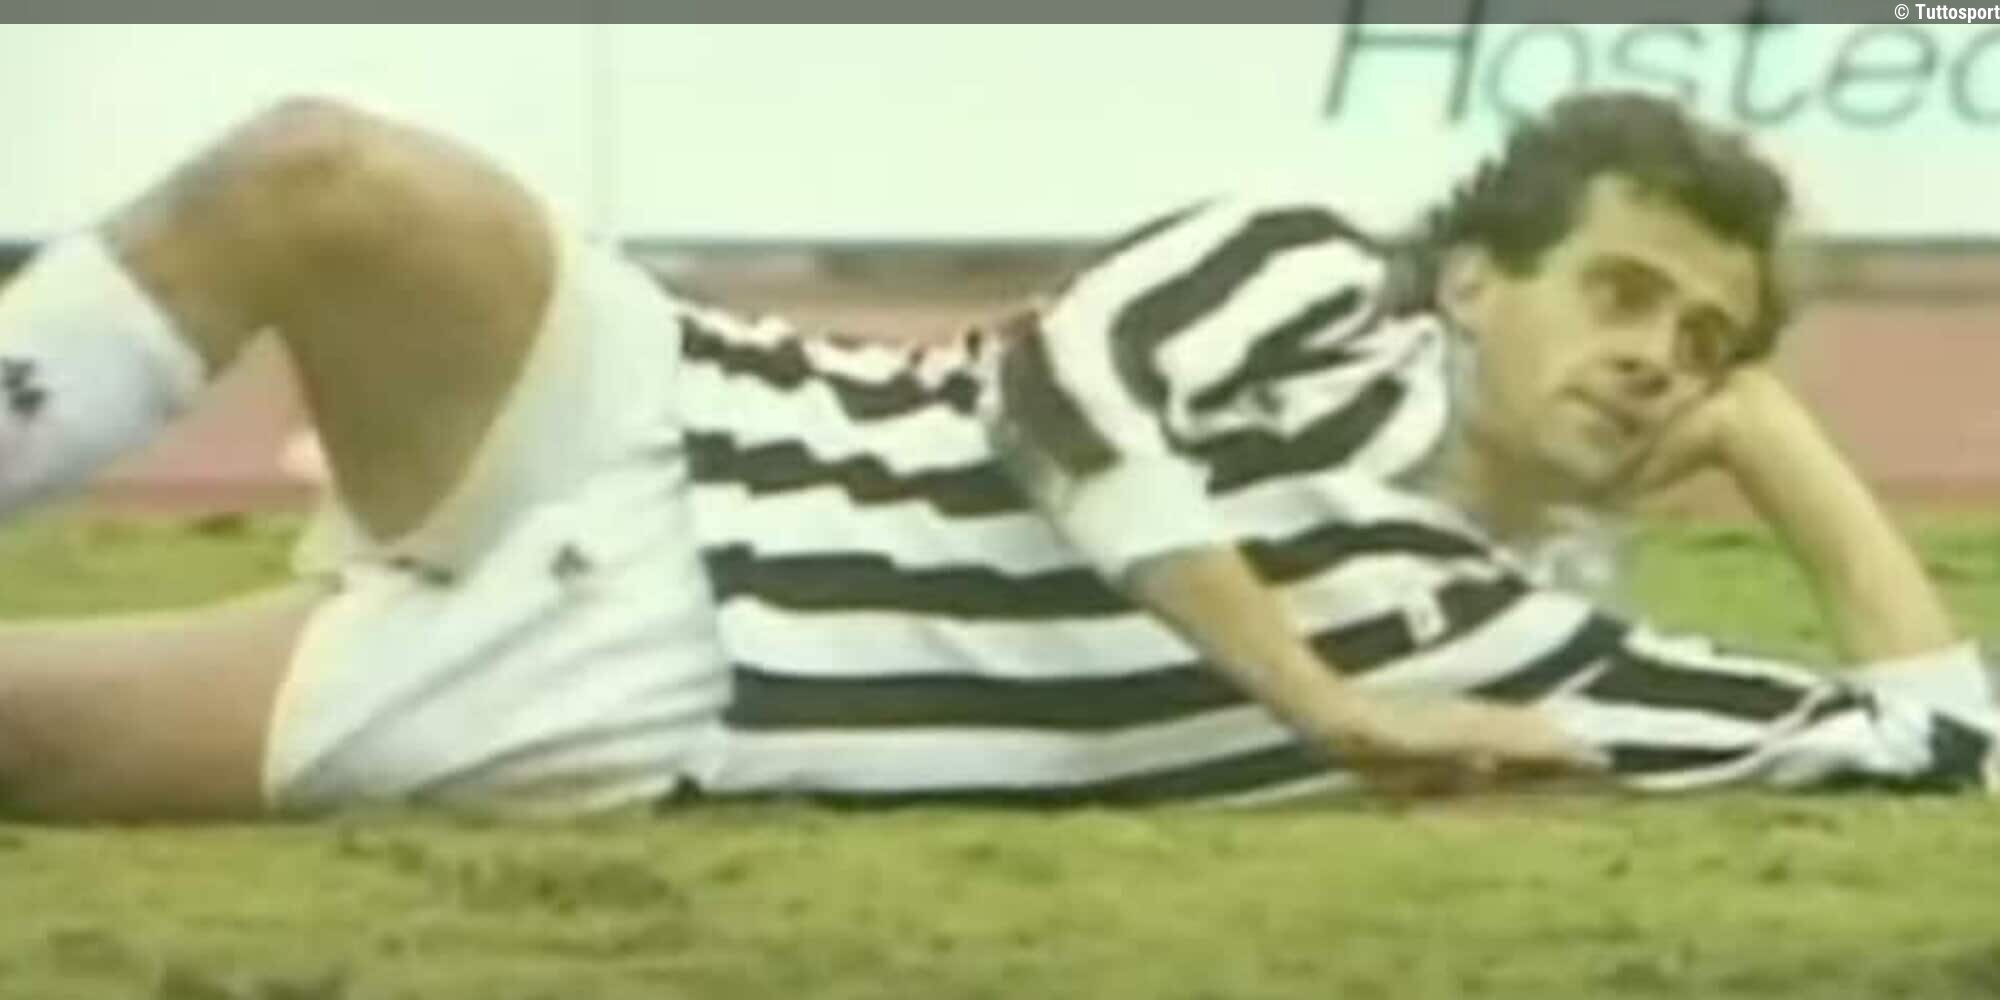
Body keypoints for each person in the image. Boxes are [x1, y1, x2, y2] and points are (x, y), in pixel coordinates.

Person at [0, 91, 1988, 822]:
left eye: (1702, 343)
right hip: (678, 404)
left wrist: (1778, 437)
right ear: (1477, 281)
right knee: (320, 176)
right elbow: (1058, 393)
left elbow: (1946, 743)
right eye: (1622, 293)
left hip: (659, 681)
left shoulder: (1547, 665)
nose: (1655, 357)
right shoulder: (1308, 274)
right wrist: (1317, 699)